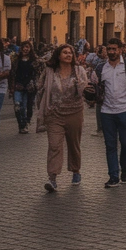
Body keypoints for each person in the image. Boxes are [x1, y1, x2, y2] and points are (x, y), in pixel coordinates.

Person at [37, 44, 88, 192]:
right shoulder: (50, 71)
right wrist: (41, 107)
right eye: (65, 52)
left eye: (70, 53)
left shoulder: (79, 71)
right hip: (55, 114)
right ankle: (52, 178)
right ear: (58, 55)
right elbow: (41, 87)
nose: (68, 55)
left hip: (74, 113)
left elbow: (85, 89)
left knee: (74, 144)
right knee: (54, 145)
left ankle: (76, 170)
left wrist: (83, 87)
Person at [92, 38, 126, 187]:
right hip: (107, 111)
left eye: (114, 49)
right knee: (110, 145)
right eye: (109, 49)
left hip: (125, 110)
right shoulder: (101, 68)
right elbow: (94, 87)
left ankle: (124, 167)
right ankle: (113, 175)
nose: (112, 52)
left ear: (121, 49)